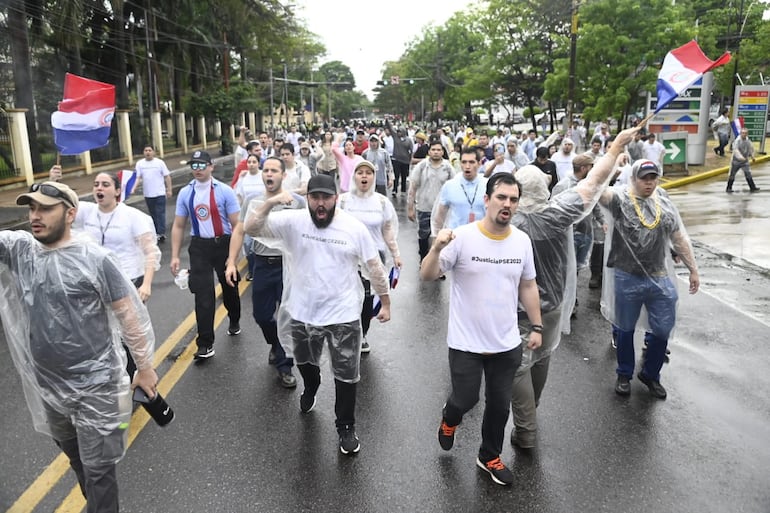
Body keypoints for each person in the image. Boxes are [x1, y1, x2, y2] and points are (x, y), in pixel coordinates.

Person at [1, 181, 158, 512]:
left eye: (45, 208)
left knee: (99, 470)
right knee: (79, 463)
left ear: (70, 213)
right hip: (50, 387)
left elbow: (130, 316)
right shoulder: (22, 252)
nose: (35, 216)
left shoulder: (95, 260)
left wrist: (144, 368)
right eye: (31, 208)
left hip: (97, 388)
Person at [507, 126, 638, 449]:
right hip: (552, 307)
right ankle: (531, 413)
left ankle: (526, 429)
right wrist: (615, 146)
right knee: (541, 357)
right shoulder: (558, 213)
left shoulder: (507, 220)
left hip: (517, 310)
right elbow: (592, 183)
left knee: (516, 367)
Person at [243, 174, 391, 455]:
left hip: (343, 313)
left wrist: (385, 302)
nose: (320, 204)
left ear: (336, 198)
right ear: (307, 198)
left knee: (347, 374)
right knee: (306, 363)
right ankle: (311, 385)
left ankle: (345, 426)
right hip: (303, 312)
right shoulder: (293, 221)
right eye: (315, 198)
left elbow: (374, 267)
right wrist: (271, 201)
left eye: (326, 197)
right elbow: (251, 228)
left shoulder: (353, 228)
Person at [420, 173, 543, 486]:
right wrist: (435, 248)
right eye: (501, 197)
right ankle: (450, 418)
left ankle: (489, 455)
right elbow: (427, 275)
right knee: (466, 400)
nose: (507, 204)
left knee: (500, 406)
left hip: (506, 342)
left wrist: (537, 325)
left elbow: (528, 285)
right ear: (487, 200)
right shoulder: (462, 237)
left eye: (513, 199)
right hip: (465, 342)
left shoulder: (522, 241)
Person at [599, 159, 700, 399]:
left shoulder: (663, 204)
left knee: (663, 329)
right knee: (625, 329)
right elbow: (594, 190)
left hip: (659, 276)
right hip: (627, 277)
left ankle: (651, 374)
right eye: (644, 178)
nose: (649, 182)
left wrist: (693, 269)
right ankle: (624, 373)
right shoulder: (619, 200)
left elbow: (679, 238)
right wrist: (611, 164)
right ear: (633, 178)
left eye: (653, 177)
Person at [226, 157, 304, 388]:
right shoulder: (253, 200)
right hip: (261, 264)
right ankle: (275, 343)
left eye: (274, 171)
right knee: (261, 316)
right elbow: (239, 231)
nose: (269, 174)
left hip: (288, 266)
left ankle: (285, 366)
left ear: (283, 175)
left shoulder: (296, 202)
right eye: (266, 170)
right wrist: (231, 262)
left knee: (288, 316)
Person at [170, 150, 242, 361]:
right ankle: (205, 343)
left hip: (223, 243)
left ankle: (234, 318)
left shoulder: (225, 191)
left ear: (211, 167)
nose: (198, 170)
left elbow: (237, 225)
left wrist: (233, 257)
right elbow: (179, 225)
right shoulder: (185, 193)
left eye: (202, 165)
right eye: (194, 165)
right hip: (200, 246)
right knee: (203, 295)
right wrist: (174, 255)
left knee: (230, 287)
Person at [339, 160, 402, 353]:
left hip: (373, 259)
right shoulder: (342, 201)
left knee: (366, 300)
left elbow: (388, 229)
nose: (364, 176)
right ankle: (346, 333)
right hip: (347, 259)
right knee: (347, 298)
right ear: (354, 176)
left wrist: (396, 254)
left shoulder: (381, 202)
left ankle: (362, 333)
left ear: (374, 177)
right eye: (360, 172)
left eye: (368, 172)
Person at [407, 140, 455, 263]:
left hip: (441, 209)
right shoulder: (422, 166)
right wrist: (410, 207)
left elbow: (455, 186)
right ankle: (423, 260)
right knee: (423, 235)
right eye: (433, 150)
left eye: (439, 150)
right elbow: (413, 187)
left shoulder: (448, 167)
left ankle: (438, 264)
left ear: (443, 152)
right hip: (424, 207)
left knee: (440, 237)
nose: (436, 152)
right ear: (429, 152)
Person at [431, 147, 488, 234]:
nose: (467, 166)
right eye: (464, 162)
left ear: (479, 163)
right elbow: (440, 215)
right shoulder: (450, 185)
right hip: (455, 237)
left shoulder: (487, 185)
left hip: (481, 236)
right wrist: (436, 237)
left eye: (472, 162)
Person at [134, 145, 172, 242]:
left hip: (159, 193)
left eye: (150, 150)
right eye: (146, 150)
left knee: (160, 213)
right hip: (148, 194)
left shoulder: (159, 163)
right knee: (153, 214)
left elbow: (167, 176)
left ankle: (161, 232)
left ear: (154, 152)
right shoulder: (140, 164)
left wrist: (169, 190)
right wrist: (133, 188)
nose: (148, 152)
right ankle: (156, 231)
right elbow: (138, 177)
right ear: (143, 152)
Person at [726, 127, 760, 193]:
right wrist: (740, 157)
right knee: (732, 174)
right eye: (743, 133)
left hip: (745, 160)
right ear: (740, 133)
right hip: (736, 161)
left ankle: (752, 187)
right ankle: (729, 188)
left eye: (745, 133)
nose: (744, 134)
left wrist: (752, 157)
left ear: (747, 134)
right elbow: (735, 150)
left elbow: (751, 148)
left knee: (748, 173)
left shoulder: (747, 140)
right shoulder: (737, 140)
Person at [386, 120, 413, 197]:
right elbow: (390, 129)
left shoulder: (408, 140)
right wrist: (387, 121)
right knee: (396, 176)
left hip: (405, 161)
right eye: (398, 131)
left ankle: (403, 190)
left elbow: (411, 150)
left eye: (400, 132)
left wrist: (410, 159)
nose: (398, 133)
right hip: (396, 160)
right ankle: (394, 190)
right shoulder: (395, 137)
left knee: (404, 176)